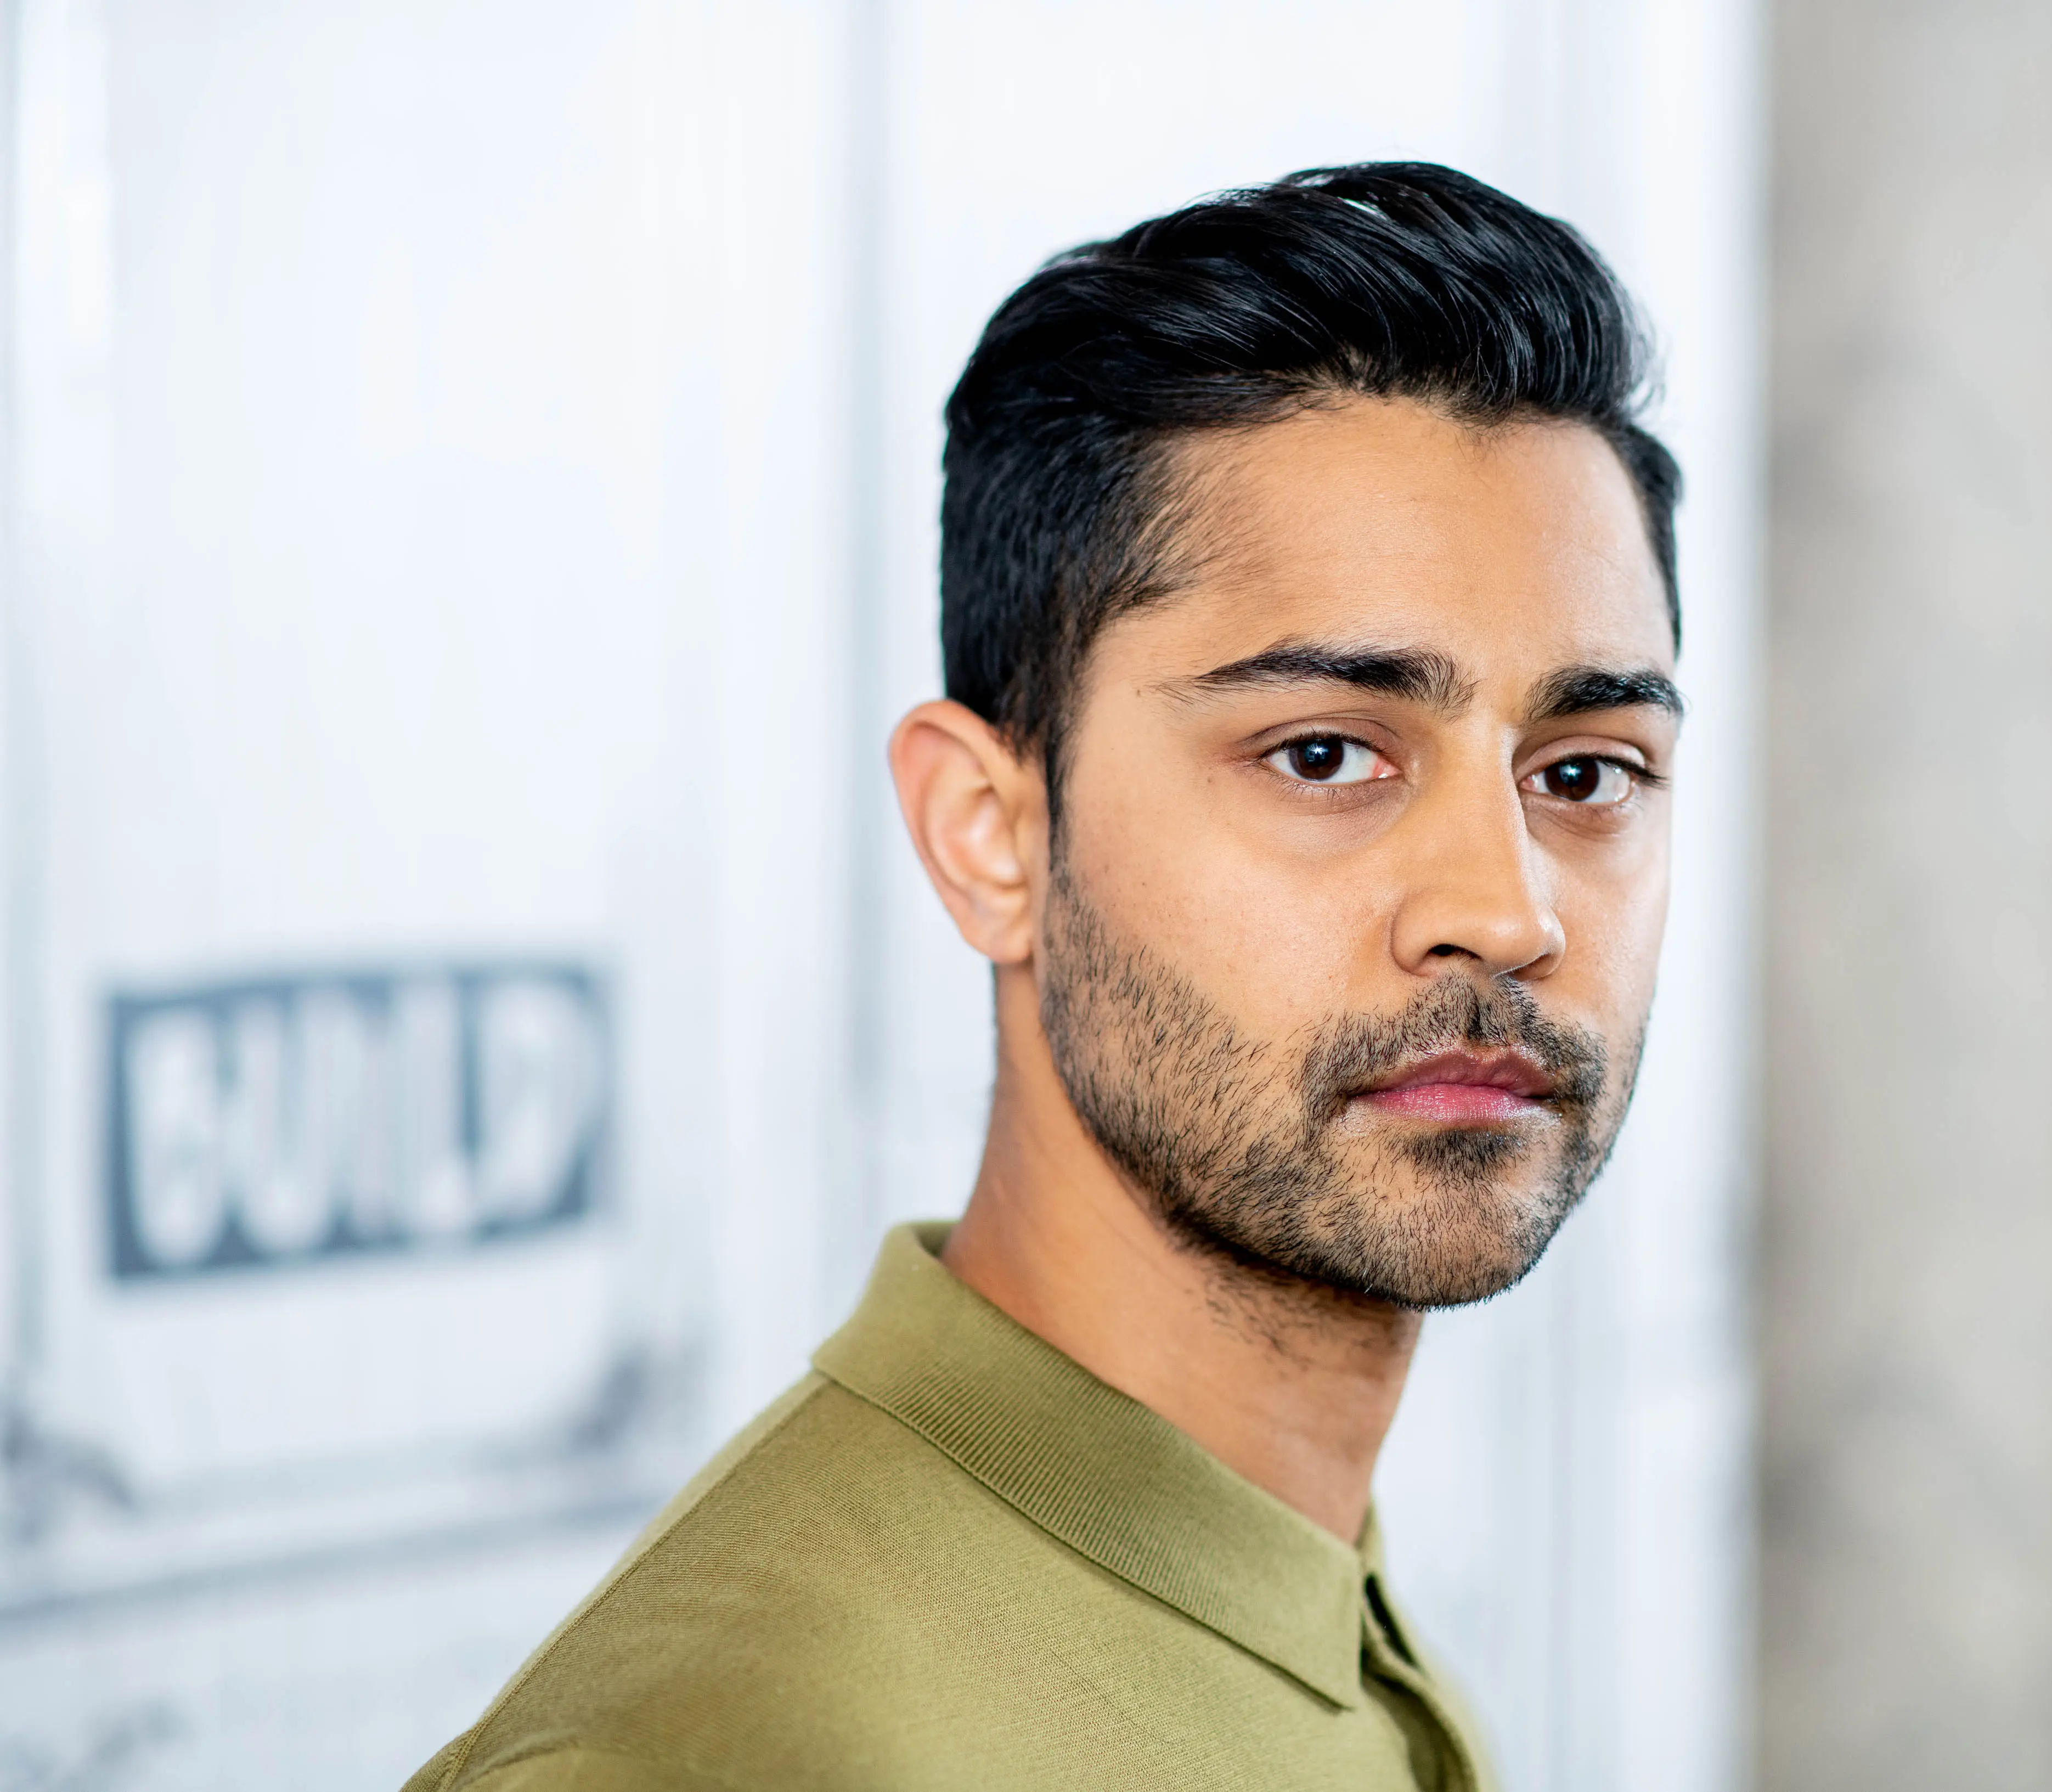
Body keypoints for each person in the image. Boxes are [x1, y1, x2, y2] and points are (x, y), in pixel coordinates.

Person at [406, 160, 1683, 1792]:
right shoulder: (730, 1755)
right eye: (1321, 751)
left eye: (1585, 773)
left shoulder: (1328, 1627)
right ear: (990, 836)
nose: (1506, 913)